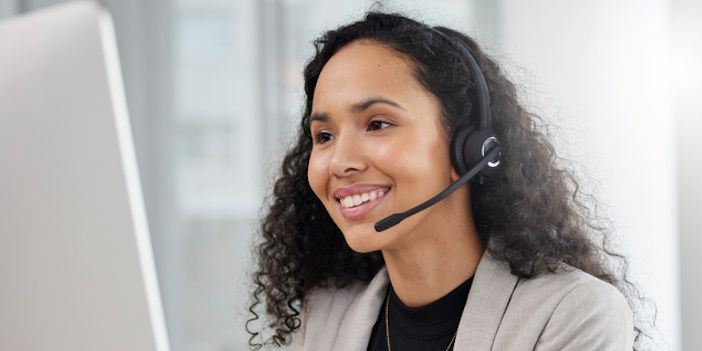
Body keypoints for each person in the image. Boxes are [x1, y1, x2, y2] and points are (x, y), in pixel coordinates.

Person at [247, 11, 648, 351]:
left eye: (378, 124)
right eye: (324, 137)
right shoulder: (325, 317)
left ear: (468, 149)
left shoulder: (572, 313)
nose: (340, 162)